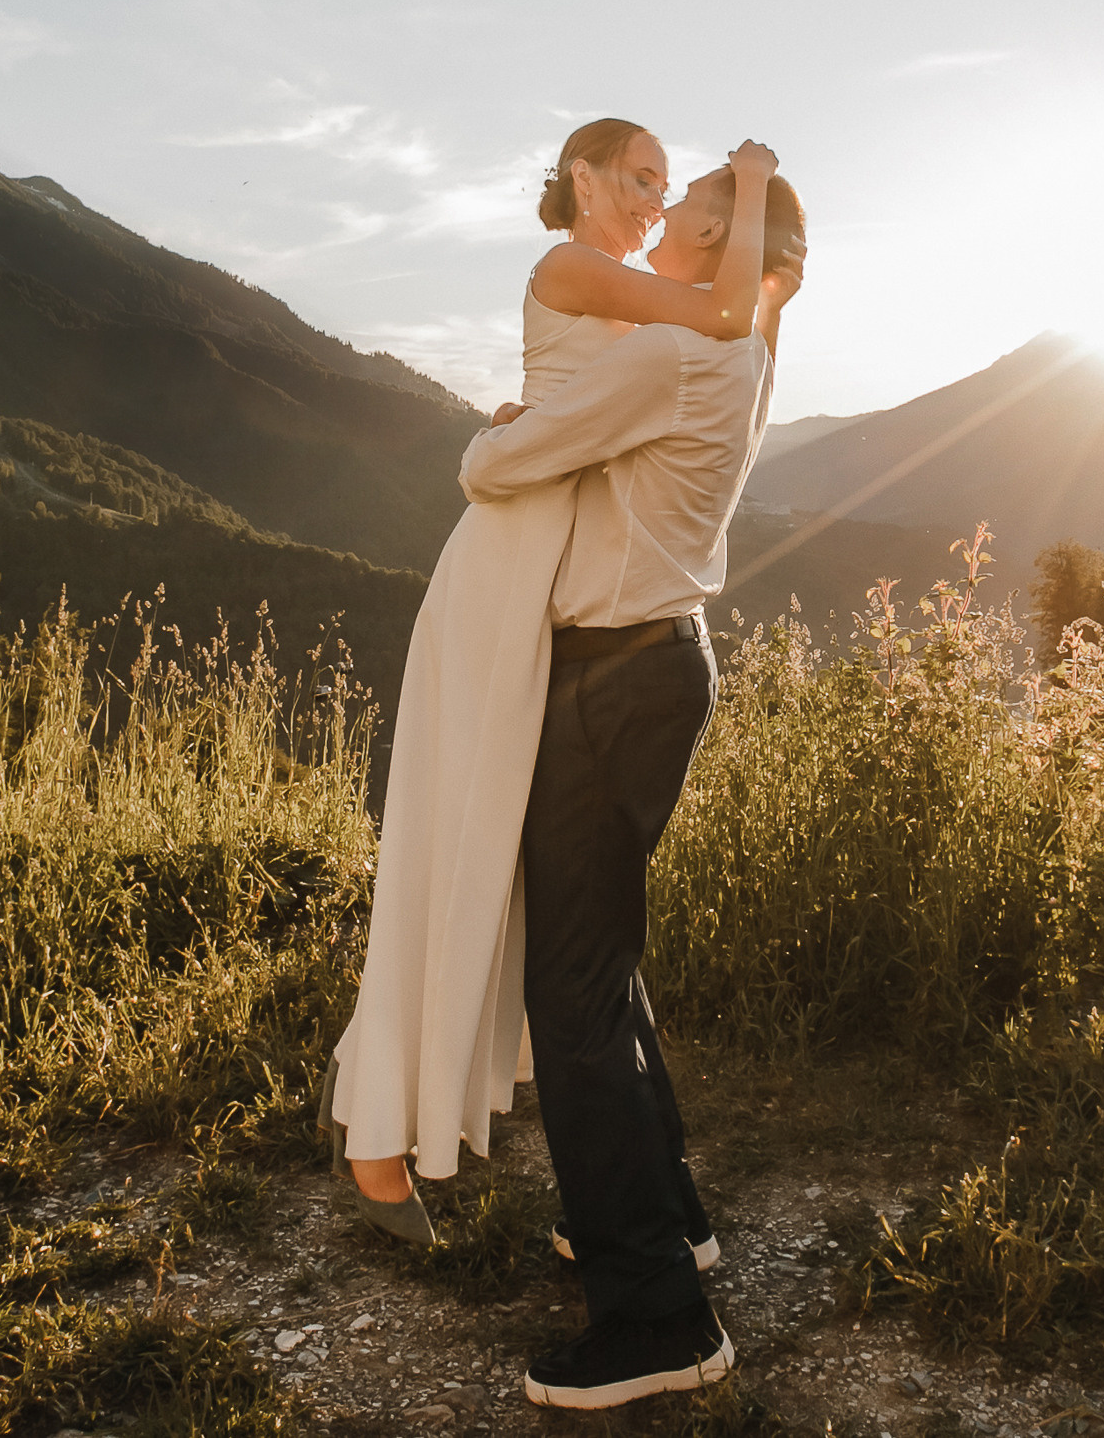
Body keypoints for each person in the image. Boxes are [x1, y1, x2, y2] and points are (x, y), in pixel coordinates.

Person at [317, 121, 787, 1247]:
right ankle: (383, 1122)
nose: (649, 200)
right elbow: (726, 315)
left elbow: (738, 326)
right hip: (509, 567)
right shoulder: (579, 268)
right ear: (580, 176)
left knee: (529, 887)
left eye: (666, 189)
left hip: (557, 585)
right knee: (457, 836)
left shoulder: (651, 301)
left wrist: (759, 221)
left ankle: (547, 1165)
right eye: (636, 179)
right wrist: (757, 191)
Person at [466, 159, 807, 1408]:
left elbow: (499, 472)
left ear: (728, 248)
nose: (664, 230)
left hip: (610, 677)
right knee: (604, 959)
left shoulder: (665, 356)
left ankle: (657, 1315)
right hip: (669, 663)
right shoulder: (748, 356)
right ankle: (666, 1219)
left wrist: (493, 429)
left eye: (696, 218)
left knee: (570, 994)